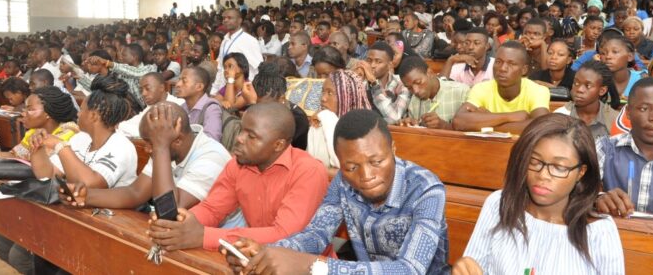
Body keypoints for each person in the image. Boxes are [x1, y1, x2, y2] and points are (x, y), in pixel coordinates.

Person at [227, 110, 450, 275]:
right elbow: (316, 234)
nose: (366, 175)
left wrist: (312, 266)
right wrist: (268, 252)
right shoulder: (343, 182)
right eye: (351, 167)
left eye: (377, 161)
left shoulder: (426, 189)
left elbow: (410, 270)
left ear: (393, 150)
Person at [453, 114, 624, 275]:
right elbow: (474, 264)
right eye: (534, 162)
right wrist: (465, 267)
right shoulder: (500, 204)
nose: (543, 175)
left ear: (581, 172)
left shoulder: (599, 230)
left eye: (559, 168)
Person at [146, 103, 328, 251]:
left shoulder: (308, 171)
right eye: (241, 130)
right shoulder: (238, 164)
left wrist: (203, 236)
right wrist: (178, 225)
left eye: (252, 136)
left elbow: (284, 235)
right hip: (253, 255)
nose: (239, 138)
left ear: (278, 145)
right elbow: (212, 209)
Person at [60, 102, 230, 211]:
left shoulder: (211, 157)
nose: (148, 149)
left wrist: (161, 147)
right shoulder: (164, 147)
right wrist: (86, 196)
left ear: (177, 140)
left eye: (151, 143)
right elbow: (134, 193)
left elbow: (170, 209)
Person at [29, 74, 138, 188]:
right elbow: (48, 175)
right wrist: (38, 147)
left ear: (93, 116)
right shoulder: (80, 138)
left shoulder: (121, 146)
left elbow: (90, 185)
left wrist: (59, 145)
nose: (78, 114)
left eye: (81, 109)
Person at [595, 78, 653, 217]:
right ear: (628, 112)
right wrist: (598, 199)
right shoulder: (604, 149)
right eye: (644, 108)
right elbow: (578, 195)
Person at [454, 41, 550, 134]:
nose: (503, 68)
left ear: (524, 70)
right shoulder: (481, 88)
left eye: (511, 64)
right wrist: (509, 117)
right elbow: (459, 121)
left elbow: (541, 126)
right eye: (498, 62)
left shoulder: (538, 91)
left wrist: (487, 121)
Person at [307, 69, 372, 170]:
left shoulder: (368, 128)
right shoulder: (320, 120)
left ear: (349, 97)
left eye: (330, 93)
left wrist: (327, 118)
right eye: (323, 91)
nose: (323, 98)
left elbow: (345, 166)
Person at [0, 86, 78, 161]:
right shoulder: (33, 131)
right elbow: (15, 155)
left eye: (30, 109)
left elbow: (40, 160)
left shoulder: (70, 130)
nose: (23, 114)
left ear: (48, 112)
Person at [248, 62, 309, 150]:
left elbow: (272, 150)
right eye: (258, 106)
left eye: (267, 107)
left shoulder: (298, 120)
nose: (261, 111)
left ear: (282, 99)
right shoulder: (255, 106)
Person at [398, 56, 469, 130]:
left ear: (430, 73)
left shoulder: (462, 92)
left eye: (418, 82)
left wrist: (445, 126)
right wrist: (410, 126)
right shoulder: (413, 102)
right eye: (409, 88)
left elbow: (474, 132)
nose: (415, 91)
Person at [554, 60, 620, 138]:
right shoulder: (561, 115)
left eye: (588, 86)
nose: (579, 89)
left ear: (602, 91)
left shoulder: (614, 120)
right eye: (576, 83)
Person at [353, 41, 411, 124]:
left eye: (378, 62)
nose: (372, 65)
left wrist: (374, 84)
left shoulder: (401, 84)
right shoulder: (361, 81)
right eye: (369, 60)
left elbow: (394, 118)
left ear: (390, 65)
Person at [212, 8, 264, 95]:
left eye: (229, 18)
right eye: (224, 18)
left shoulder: (249, 40)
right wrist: (214, 91)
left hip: (241, 91)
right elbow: (220, 68)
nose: (225, 20)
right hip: (224, 87)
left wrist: (246, 90)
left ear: (240, 20)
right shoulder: (225, 39)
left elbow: (258, 68)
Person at [117, 72, 184, 138]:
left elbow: (156, 134)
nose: (143, 93)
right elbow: (129, 124)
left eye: (148, 88)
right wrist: (116, 126)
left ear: (162, 87)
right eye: (141, 90)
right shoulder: (150, 107)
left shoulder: (179, 105)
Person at [90, 44, 157, 108]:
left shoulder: (150, 68)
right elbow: (105, 86)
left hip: (153, 107)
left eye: (124, 55)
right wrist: (81, 77)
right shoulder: (121, 74)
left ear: (134, 57)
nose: (120, 57)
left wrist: (107, 63)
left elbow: (136, 72)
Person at [175, 66, 223, 141]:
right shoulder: (182, 108)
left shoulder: (211, 108)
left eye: (184, 81)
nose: (178, 84)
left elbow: (212, 139)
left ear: (199, 87)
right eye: (179, 80)